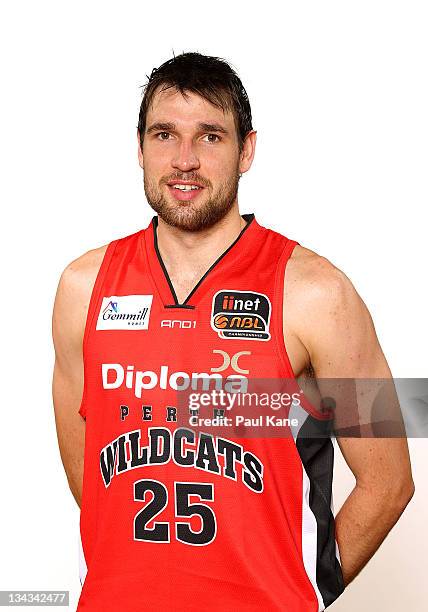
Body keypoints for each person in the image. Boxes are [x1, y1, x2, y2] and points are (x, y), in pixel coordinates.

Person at [51, 52, 414, 611]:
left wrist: (305, 590)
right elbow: (90, 479)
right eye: (165, 135)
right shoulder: (83, 287)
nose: (185, 160)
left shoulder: (317, 293)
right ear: (139, 147)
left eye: (211, 137)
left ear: (246, 151)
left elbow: (389, 482)